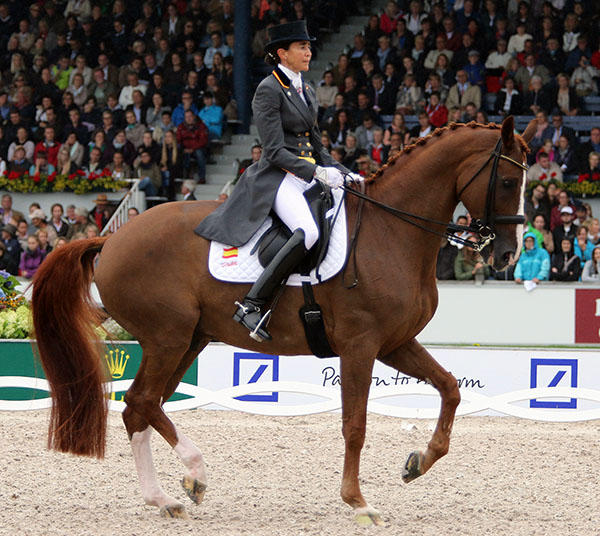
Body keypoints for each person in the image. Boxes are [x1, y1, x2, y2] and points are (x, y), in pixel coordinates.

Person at [195, 21, 354, 342]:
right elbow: (274, 150)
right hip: (278, 176)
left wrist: (345, 172)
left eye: (309, 47)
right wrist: (317, 173)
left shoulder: (306, 89)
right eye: (302, 47)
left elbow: (317, 146)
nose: (309, 52)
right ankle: (252, 304)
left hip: (306, 174)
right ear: (282, 53)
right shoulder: (268, 88)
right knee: (307, 231)